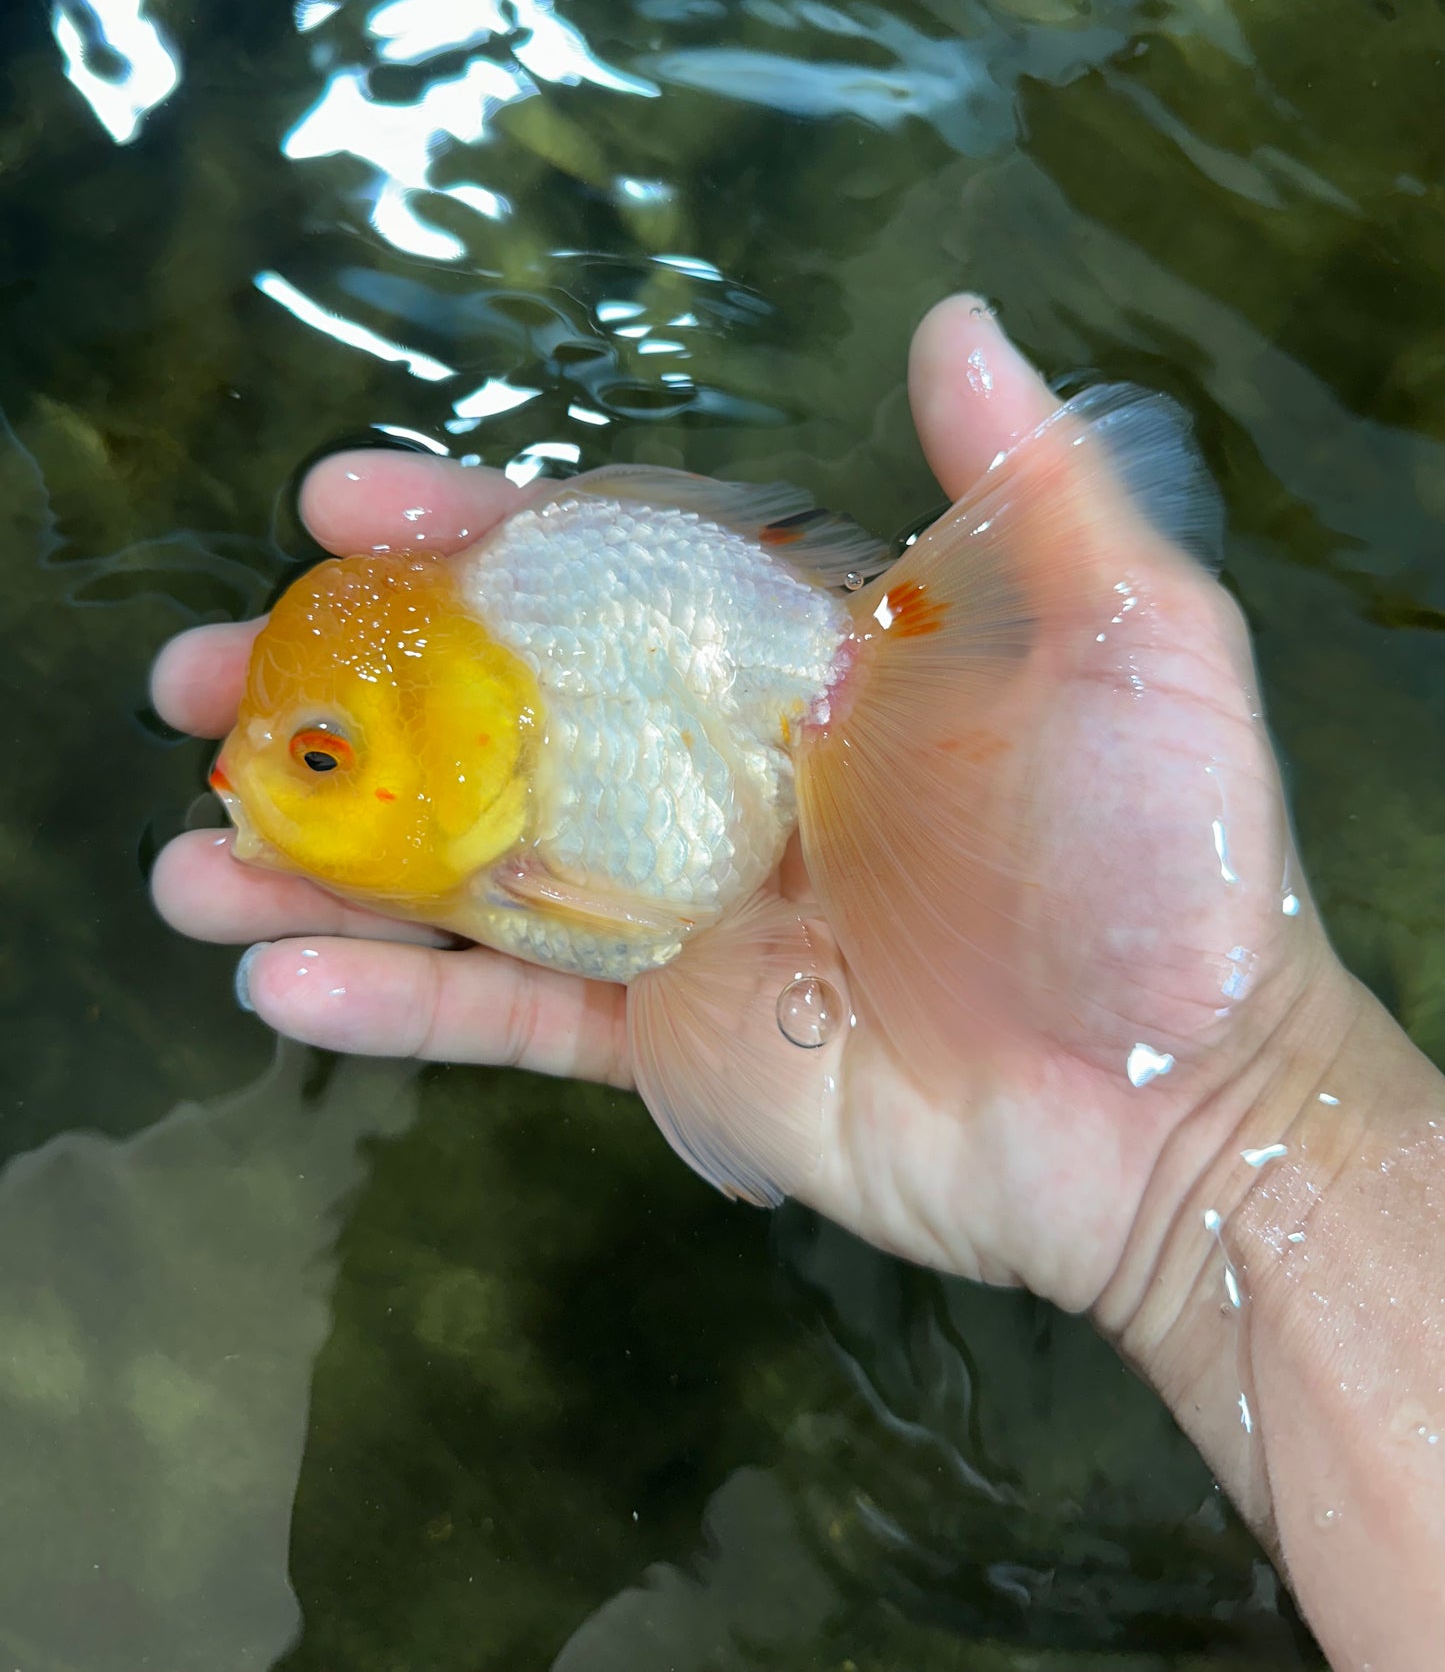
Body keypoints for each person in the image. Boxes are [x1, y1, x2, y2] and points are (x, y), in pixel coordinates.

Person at [150, 296, 1445, 1670]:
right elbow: (678, 948)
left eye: (318, 761)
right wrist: (1231, 1150)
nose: (238, 775)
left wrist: (1220, 1139)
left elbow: (670, 933)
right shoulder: (484, 782)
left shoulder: (536, 833)